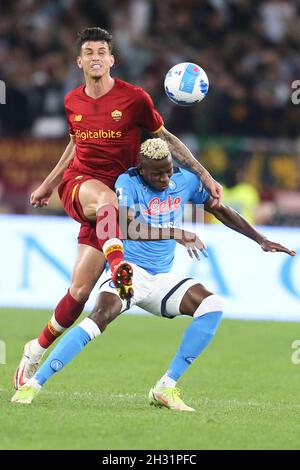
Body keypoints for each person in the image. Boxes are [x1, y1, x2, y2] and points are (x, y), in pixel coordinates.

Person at [12, 138, 296, 409]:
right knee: (98, 318)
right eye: (157, 175)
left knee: (213, 305)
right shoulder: (128, 183)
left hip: (160, 279)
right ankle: (33, 385)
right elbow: (127, 227)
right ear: (142, 170)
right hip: (129, 273)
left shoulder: (185, 181)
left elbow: (219, 209)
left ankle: (166, 385)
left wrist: (260, 239)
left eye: (168, 172)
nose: (164, 179)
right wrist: (176, 233)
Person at [13, 27, 223, 390]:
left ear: (112, 59)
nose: (95, 57)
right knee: (107, 202)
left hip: (112, 210)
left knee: (79, 293)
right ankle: (119, 267)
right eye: (89, 52)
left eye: (102, 52)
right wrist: (50, 183)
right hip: (82, 188)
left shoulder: (135, 99)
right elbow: (74, 148)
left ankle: (35, 349)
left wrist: (204, 175)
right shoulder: (72, 101)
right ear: (79, 61)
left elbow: (167, 139)